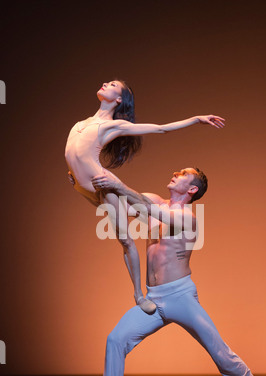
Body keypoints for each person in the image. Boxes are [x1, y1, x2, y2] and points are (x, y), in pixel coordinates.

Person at [86, 166, 266, 376]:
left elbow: (148, 208)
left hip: (181, 296)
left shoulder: (188, 217)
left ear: (192, 189)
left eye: (184, 173)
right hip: (152, 300)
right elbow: (115, 206)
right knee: (115, 340)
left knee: (219, 352)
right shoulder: (154, 200)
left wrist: (118, 185)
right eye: (177, 170)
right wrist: (85, 184)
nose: (176, 172)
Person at [65, 79, 225, 313]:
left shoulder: (114, 125)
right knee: (109, 211)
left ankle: (139, 295)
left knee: (126, 240)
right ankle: (141, 296)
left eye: (112, 85)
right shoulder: (81, 123)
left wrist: (195, 119)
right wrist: (79, 185)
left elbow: (160, 128)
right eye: (107, 82)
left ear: (119, 99)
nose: (105, 83)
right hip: (87, 185)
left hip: (104, 183)